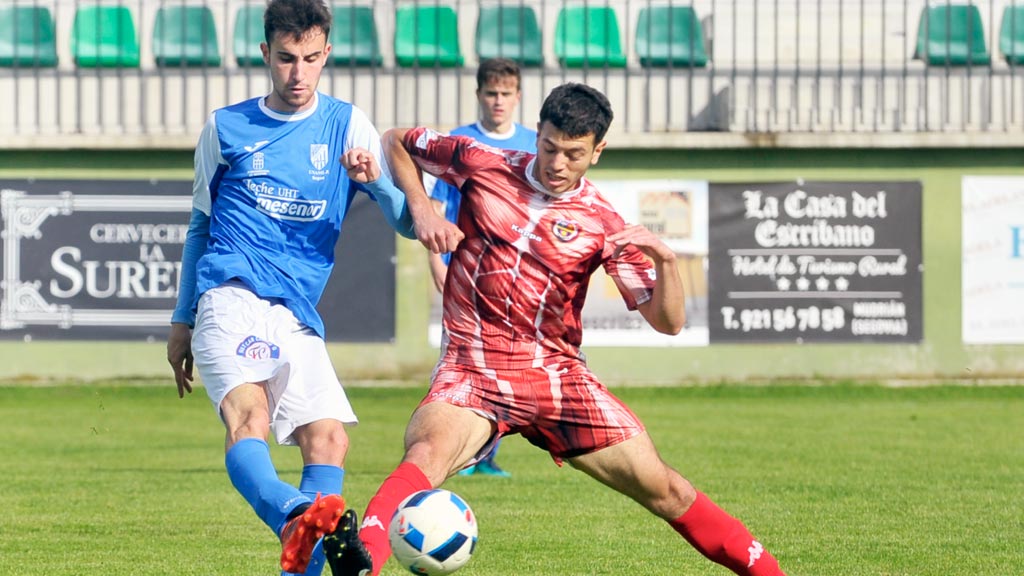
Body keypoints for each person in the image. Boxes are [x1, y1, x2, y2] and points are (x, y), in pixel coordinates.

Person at [327, 83, 786, 576]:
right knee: (426, 454)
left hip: (558, 380)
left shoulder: (603, 223)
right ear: (538, 133)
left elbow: (668, 322)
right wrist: (421, 208)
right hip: (474, 370)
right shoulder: (482, 161)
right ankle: (363, 561)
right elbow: (396, 140)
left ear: (597, 151)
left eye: (573, 154)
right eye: (549, 147)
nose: (557, 163)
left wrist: (667, 261)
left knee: (667, 490)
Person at [165, 2, 414, 575]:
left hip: (296, 309)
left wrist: (375, 183)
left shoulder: (348, 125)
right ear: (264, 56)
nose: (297, 74)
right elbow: (201, 224)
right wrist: (182, 319)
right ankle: (295, 514)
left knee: (328, 441)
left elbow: (406, 222)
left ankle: (302, 534)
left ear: (326, 54)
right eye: (284, 59)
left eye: (309, 59)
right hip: (229, 294)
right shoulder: (225, 128)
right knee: (248, 417)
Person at [425, 57, 537, 477]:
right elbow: (437, 207)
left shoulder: (532, 143)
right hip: (464, 274)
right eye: (491, 93)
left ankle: (485, 455)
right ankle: (453, 450)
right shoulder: (458, 142)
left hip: (515, 276)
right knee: (457, 363)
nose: (498, 101)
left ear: (518, 96)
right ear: (478, 95)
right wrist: (435, 259)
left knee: (505, 365)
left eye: (506, 94)